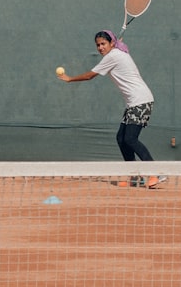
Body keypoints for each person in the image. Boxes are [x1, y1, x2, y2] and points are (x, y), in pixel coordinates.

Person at [57, 30, 164, 187]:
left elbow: (89, 76)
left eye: (103, 44)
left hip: (141, 101)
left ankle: (155, 173)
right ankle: (134, 176)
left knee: (130, 139)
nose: (100, 48)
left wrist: (70, 79)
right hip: (133, 103)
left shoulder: (113, 56)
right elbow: (117, 48)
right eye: (98, 45)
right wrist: (114, 44)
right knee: (121, 139)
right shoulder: (117, 52)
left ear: (111, 43)